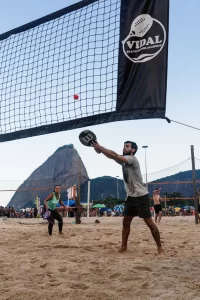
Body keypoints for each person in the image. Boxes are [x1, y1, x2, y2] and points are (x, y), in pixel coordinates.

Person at [92, 140, 163, 254]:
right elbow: (112, 155)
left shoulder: (132, 159)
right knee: (126, 222)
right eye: (124, 146)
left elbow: (114, 155)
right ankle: (123, 247)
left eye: (127, 146)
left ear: (133, 150)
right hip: (130, 197)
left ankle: (160, 248)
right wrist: (100, 150)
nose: (124, 148)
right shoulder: (123, 162)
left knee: (150, 224)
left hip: (141, 196)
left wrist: (100, 147)